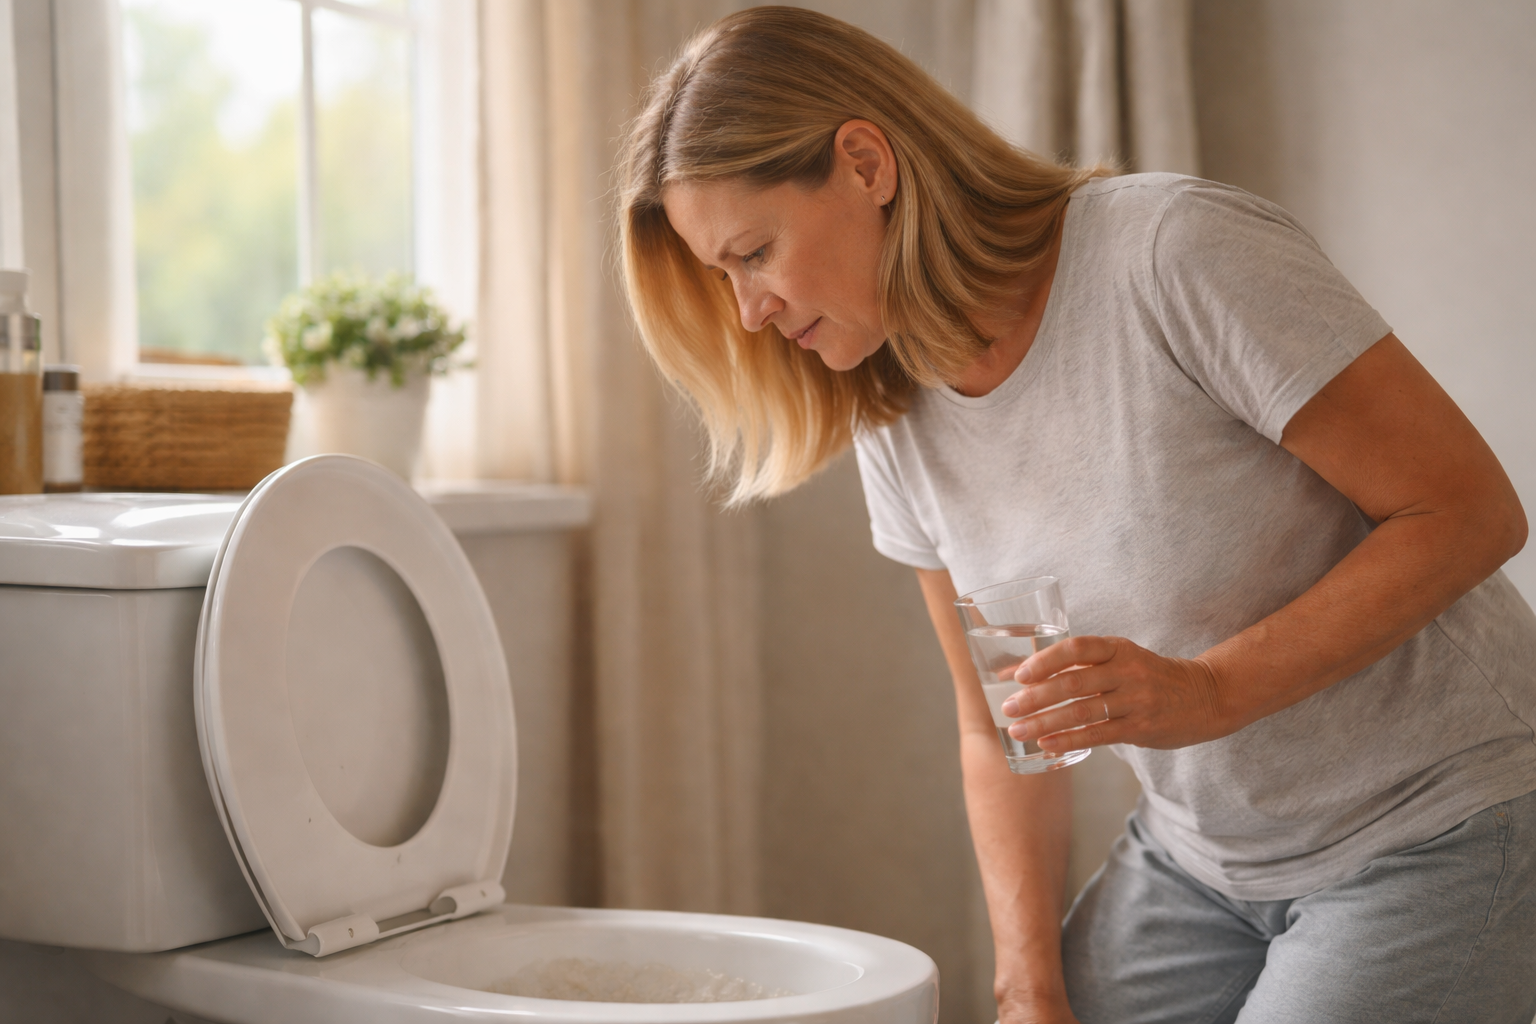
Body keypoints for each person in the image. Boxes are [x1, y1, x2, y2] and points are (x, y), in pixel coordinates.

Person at [615, 7, 1536, 1023]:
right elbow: (998, 723)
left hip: (1443, 822)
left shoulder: (1172, 252)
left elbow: (1468, 510)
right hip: (1199, 861)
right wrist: (1026, 987)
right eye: (721, 275)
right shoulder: (894, 411)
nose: (748, 311)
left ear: (866, 163)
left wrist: (1211, 688)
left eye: (754, 251)